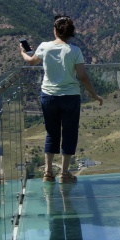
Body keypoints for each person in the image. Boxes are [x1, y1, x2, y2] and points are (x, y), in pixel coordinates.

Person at [19, 15, 103, 183]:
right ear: (70, 33)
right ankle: (64, 173)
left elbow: (31, 61)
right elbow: (83, 76)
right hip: (70, 97)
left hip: (49, 96)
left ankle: (48, 172)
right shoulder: (75, 51)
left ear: (55, 31)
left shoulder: (45, 47)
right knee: (69, 133)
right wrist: (94, 95)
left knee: (52, 133)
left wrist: (23, 52)